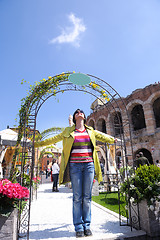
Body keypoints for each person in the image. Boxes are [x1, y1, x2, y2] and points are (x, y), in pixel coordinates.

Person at [35, 108, 116, 238]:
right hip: (75, 166)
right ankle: (78, 226)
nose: (80, 113)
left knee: (87, 197)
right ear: (74, 117)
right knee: (77, 197)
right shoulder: (68, 131)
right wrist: (37, 144)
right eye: (77, 112)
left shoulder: (90, 131)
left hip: (89, 165)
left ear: (83, 117)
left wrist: (113, 140)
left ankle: (87, 225)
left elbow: (102, 136)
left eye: (81, 112)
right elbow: (53, 139)